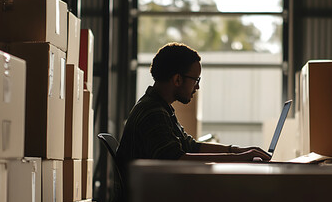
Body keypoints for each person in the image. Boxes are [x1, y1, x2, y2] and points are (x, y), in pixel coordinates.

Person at [115, 42, 272, 164]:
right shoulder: (153, 112)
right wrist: (241, 158)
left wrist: (238, 152)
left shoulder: (161, 107)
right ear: (177, 79)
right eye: (195, 80)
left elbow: (191, 146)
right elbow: (177, 160)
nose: (197, 87)